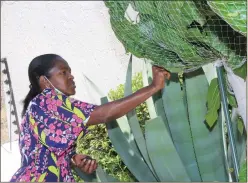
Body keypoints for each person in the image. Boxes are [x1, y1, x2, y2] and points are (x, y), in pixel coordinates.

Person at [10, 54, 170, 182]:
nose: (71, 77)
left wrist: (73, 160)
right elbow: (103, 114)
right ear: (45, 81)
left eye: (70, 72)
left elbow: (46, 154)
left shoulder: (43, 108)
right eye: (63, 72)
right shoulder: (45, 101)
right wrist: (153, 87)